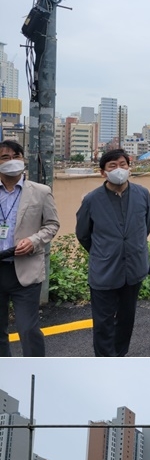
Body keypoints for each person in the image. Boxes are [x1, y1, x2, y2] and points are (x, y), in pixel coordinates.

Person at [76, 148, 150, 356]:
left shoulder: (142, 194)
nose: (118, 169)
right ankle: (104, 360)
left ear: (130, 167)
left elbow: (147, 226)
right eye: (112, 166)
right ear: (103, 172)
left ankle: (120, 356)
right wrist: (104, 252)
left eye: (123, 165)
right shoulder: (92, 200)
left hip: (134, 269)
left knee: (127, 319)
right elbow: (83, 234)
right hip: (104, 271)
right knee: (103, 323)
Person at [0, 139, 60, 356]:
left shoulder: (41, 191)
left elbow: (52, 224)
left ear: (23, 159)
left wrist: (34, 241)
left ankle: (35, 372)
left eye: (16, 156)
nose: (11, 161)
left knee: (28, 329)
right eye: (5, 157)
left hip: (25, 269)